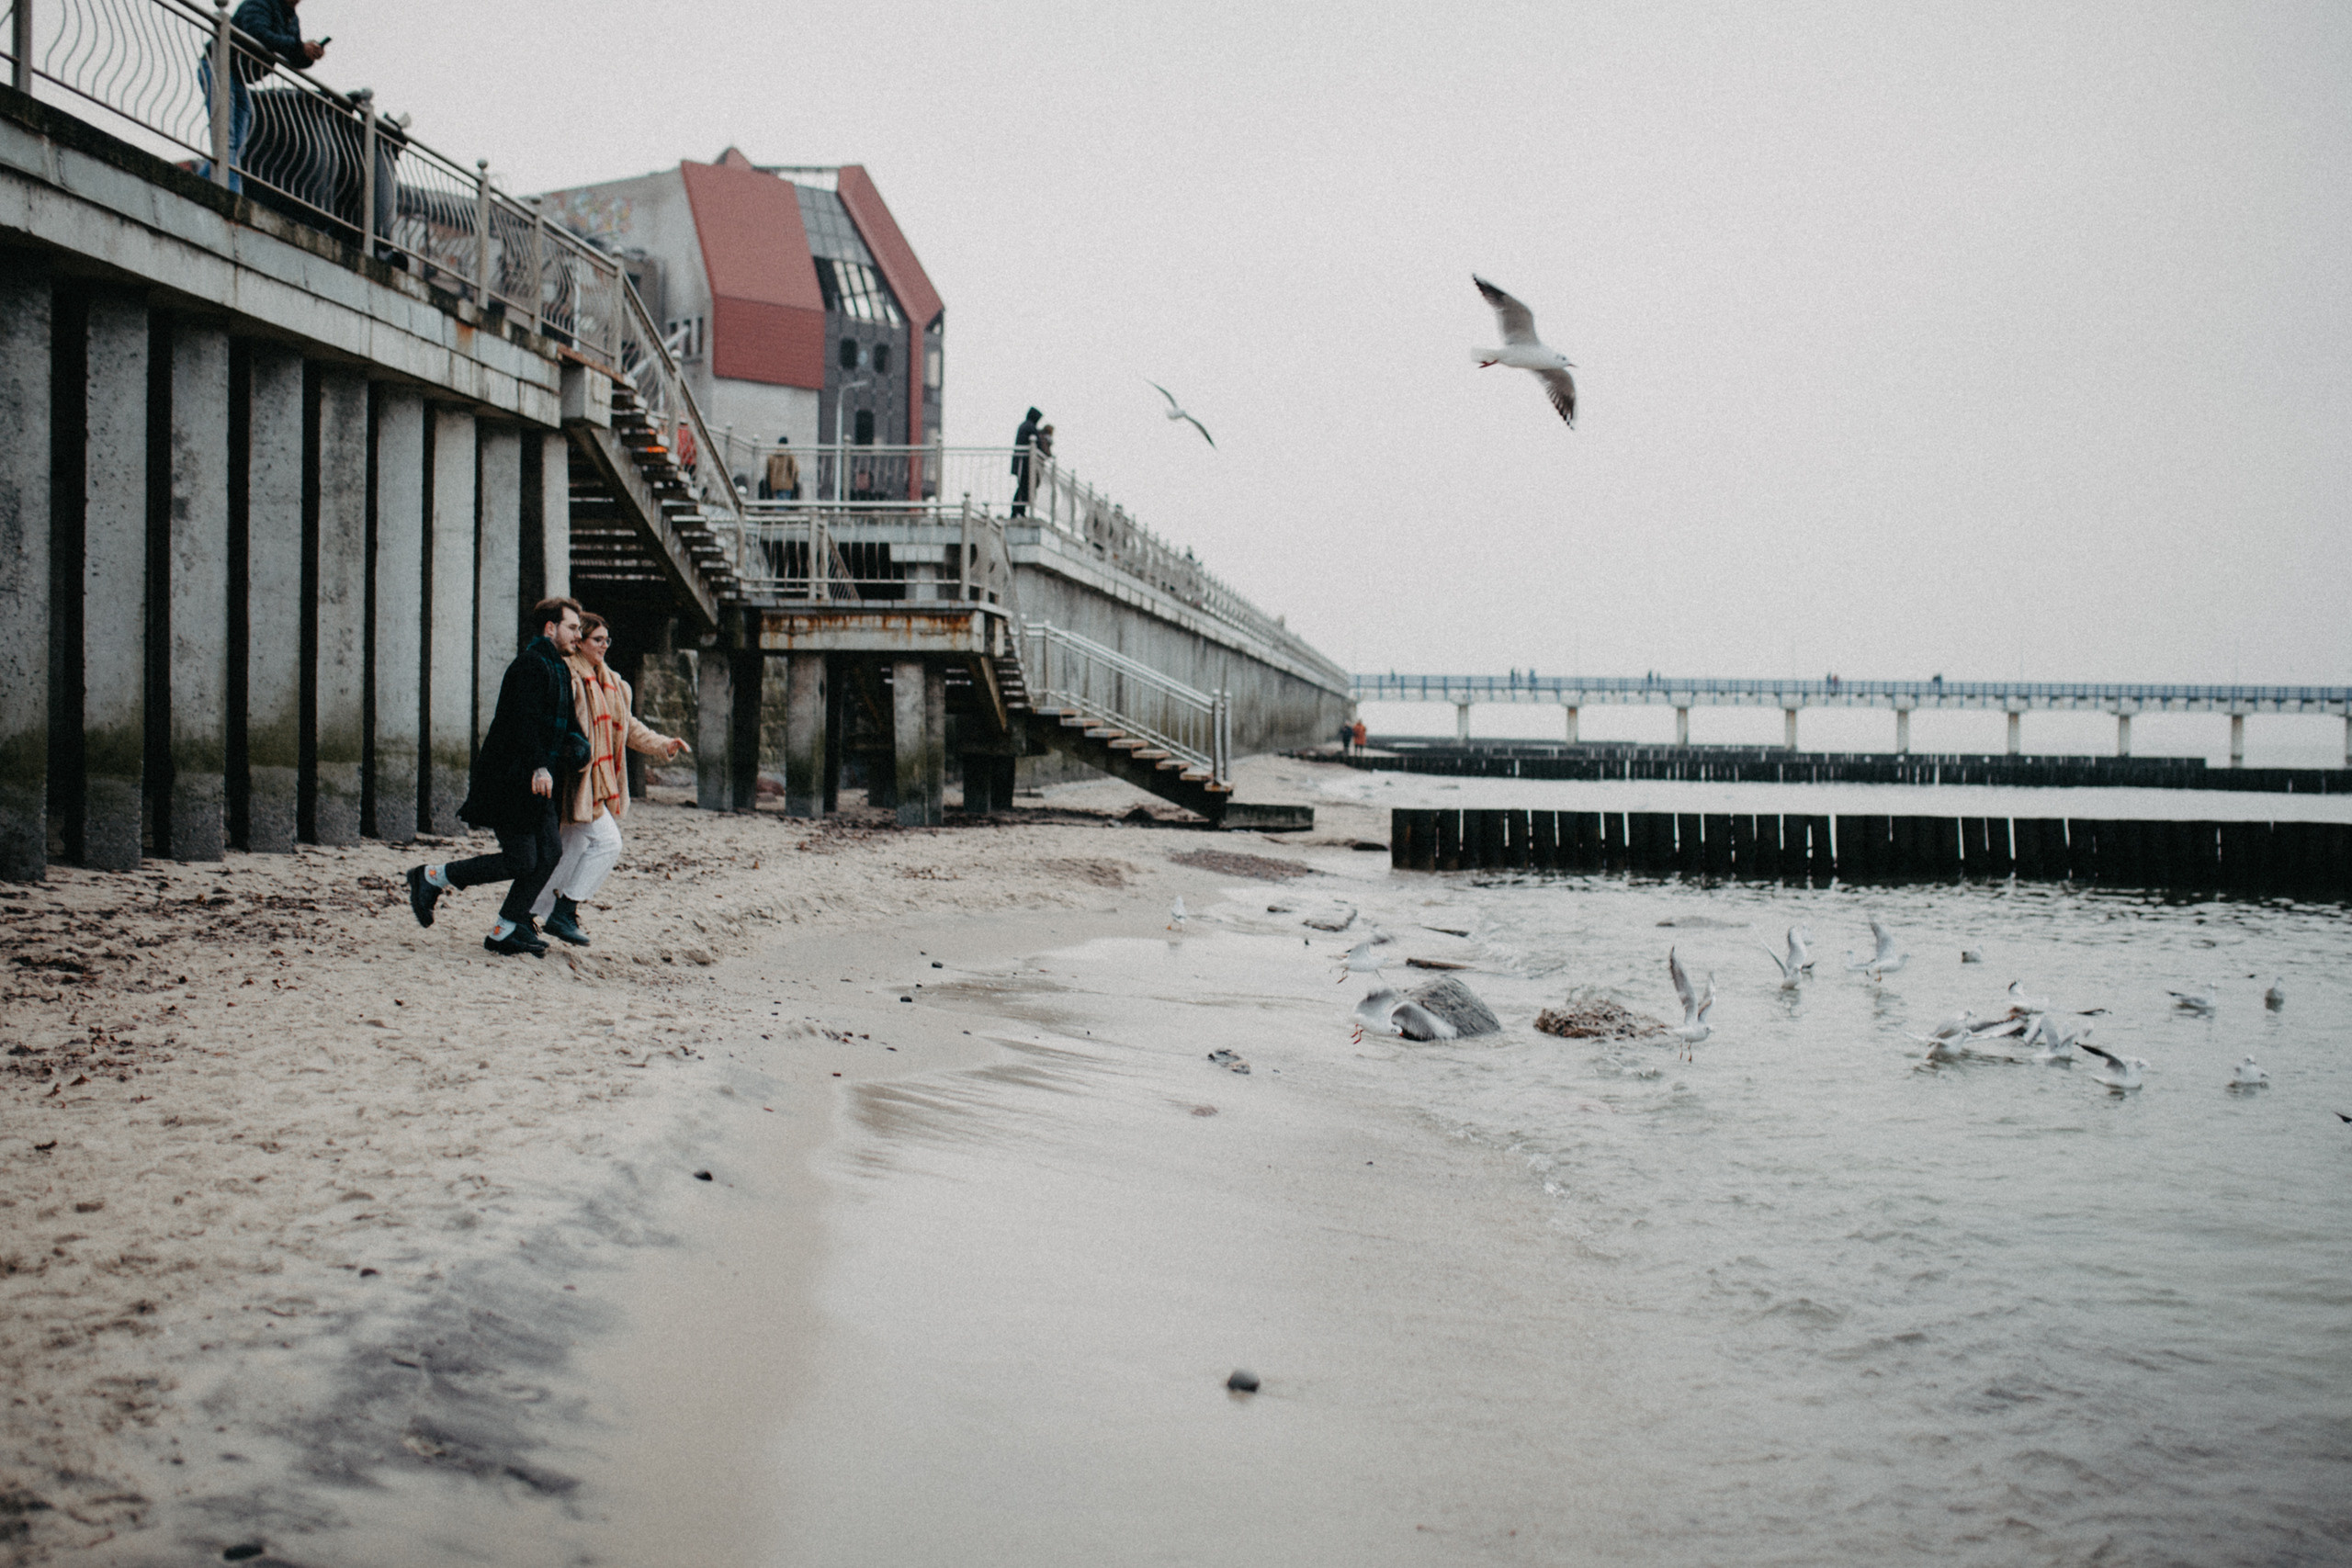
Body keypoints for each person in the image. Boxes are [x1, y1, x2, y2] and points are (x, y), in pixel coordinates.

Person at [404, 598, 590, 955]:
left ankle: (505, 930)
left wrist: (579, 748)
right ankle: (431, 877)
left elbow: (568, 725)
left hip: (538, 782)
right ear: (550, 628)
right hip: (511, 780)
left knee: (550, 853)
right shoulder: (530, 665)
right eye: (572, 628)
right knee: (522, 860)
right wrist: (539, 765)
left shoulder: (559, 670)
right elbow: (522, 722)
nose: (577, 636)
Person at [530, 615, 691, 946]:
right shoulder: (568, 677)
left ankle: (528, 915)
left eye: (607, 640)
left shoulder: (613, 683)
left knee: (568, 851)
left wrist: (664, 745)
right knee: (608, 843)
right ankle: (565, 910)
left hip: (598, 780)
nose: (604, 645)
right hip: (575, 780)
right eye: (597, 640)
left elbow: (628, 727)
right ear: (580, 643)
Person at [198, 0, 327, 193]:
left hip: (237, 76)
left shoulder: (290, 17)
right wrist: (299, 46)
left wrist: (307, 56)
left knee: (237, 145)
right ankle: (232, 194)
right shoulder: (260, 2)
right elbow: (258, 33)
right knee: (227, 139)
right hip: (218, 65)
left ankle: (198, 181)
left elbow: (291, 53)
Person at [1011, 407, 1042, 516]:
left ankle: (1019, 510)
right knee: (1023, 486)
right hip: (1024, 462)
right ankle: (1018, 510)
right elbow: (1038, 444)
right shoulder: (1030, 427)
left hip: (1024, 462)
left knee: (1024, 486)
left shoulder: (1025, 426)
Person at [763, 437, 799, 502]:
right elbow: (795, 470)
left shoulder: (772, 456)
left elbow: (767, 471)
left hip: (774, 485)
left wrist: (769, 481)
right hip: (787, 485)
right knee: (783, 504)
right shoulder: (790, 456)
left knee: (776, 502)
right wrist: (794, 481)